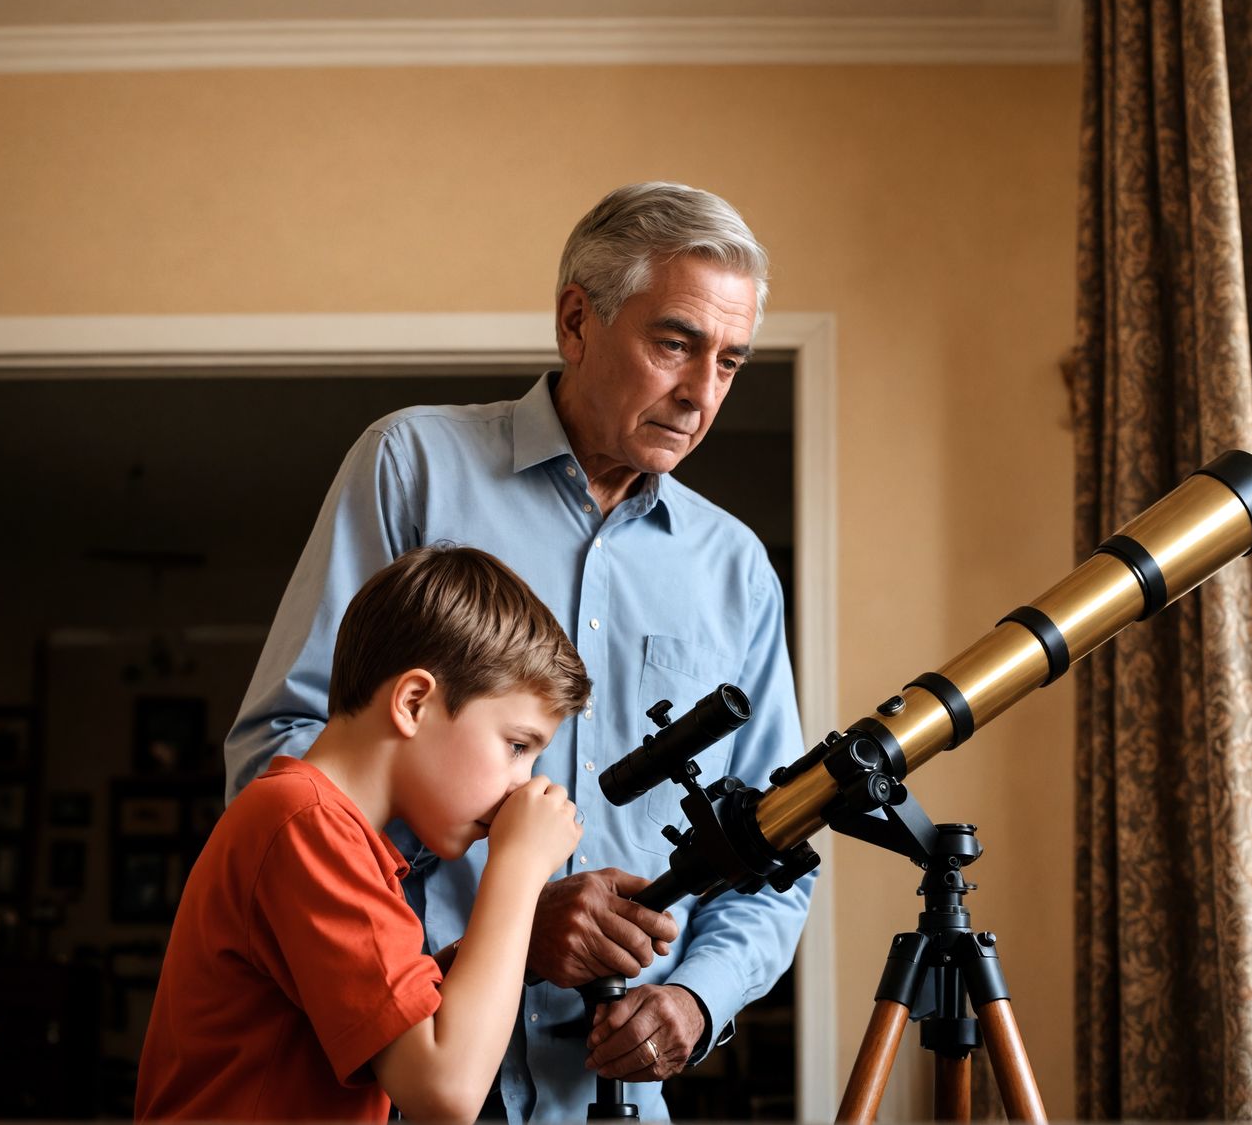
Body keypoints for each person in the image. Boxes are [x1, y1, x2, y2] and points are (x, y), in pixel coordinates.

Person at [224, 181, 814, 1121]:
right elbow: (286, 760)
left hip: (612, 1096)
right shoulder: (411, 465)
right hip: (404, 1073)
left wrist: (699, 998)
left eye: (731, 361)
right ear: (576, 321)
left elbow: (780, 843)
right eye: (674, 342)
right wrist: (506, 923)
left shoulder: (736, 570)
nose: (702, 391)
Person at [138, 545, 591, 1122]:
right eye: (517, 746)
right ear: (414, 702)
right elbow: (443, 1092)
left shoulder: (330, 831)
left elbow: (408, 1023)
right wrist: (519, 868)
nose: (521, 786)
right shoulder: (305, 824)